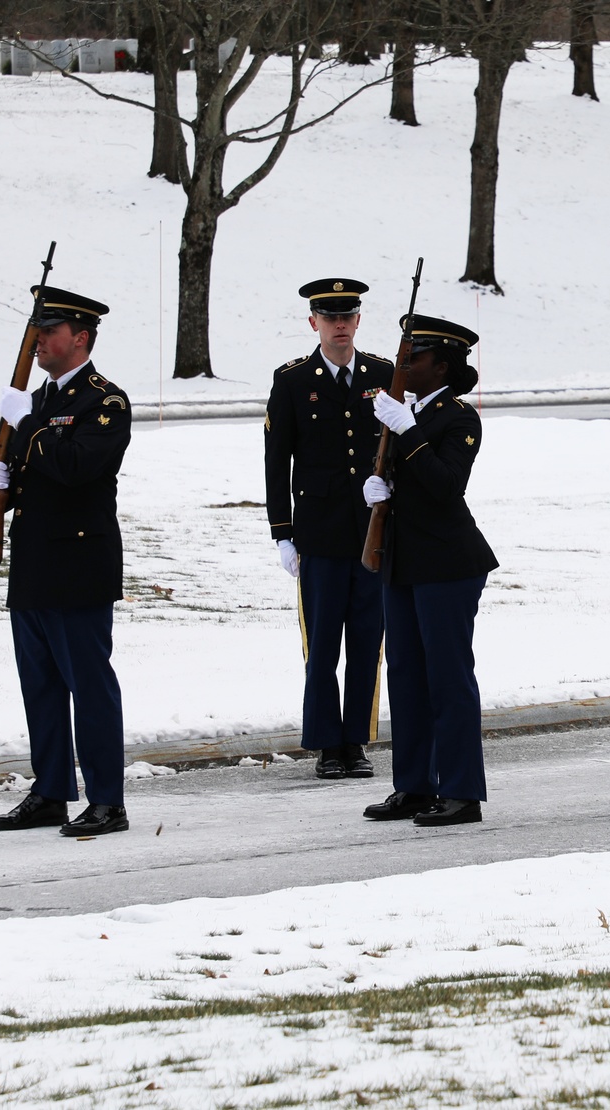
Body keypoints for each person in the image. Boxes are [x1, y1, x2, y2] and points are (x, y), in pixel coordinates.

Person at [0, 285, 132, 836]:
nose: (39, 341)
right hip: (34, 563)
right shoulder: (39, 402)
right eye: (37, 331)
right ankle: (49, 791)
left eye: (50, 331)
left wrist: (25, 426)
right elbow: (28, 476)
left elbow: (74, 468)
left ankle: (107, 801)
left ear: (81, 337)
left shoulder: (106, 401)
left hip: (79, 563)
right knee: (40, 685)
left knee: (89, 685)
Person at [360, 315, 498, 827]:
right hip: (403, 559)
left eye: (414, 357)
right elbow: (403, 480)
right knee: (408, 679)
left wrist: (408, 432)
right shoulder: (401, 414)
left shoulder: (458, 418)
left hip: (448, 563)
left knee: (448, 679)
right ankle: (415, 785)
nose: (403, 364)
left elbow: (444, 487)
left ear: (441, 366)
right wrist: (378, 491)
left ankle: (461, 792)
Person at [264, 278, 394, 779]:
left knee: (367, 641)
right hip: (317, 535)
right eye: (330, 316)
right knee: (321, 647)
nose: (340, 325)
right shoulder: (293, 379)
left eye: (348, 316)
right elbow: (278, 460)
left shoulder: (384, 374)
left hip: (370, 535)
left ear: (358, 321)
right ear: (313, 322)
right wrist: (282, 531)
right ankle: (324, 744)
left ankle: (355, 741)